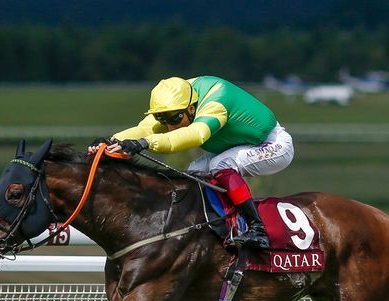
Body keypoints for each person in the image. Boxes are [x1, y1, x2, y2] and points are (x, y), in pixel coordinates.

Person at [88, 76, 295, 248]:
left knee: (220, 164)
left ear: (191, 109)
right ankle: (214, 227)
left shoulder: (216, 102)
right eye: (163, 119)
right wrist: (111, 141)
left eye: (175, 119)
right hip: (235, 147)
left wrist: (145, 143)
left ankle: (258, 229)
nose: (170, 127)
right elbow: (145, 129)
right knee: (193, 173)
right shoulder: (174, 100)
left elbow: (197, 134)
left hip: (274, 144)